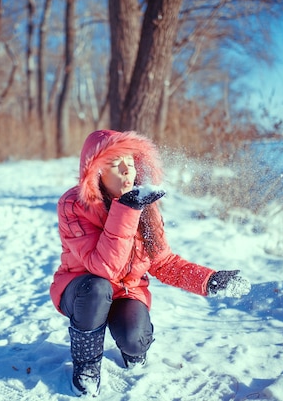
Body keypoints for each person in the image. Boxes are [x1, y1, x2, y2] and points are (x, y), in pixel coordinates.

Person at [49, 130, 250, 397]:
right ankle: (86, 367)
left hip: (126, 290)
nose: (126, 170)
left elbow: (164, 262)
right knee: (98, 288)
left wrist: (208, 280)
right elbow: (102, 268)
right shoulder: (73, 205)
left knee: (136, 341)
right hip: (82, 290)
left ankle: (130, 340)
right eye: (114, 163)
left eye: (130, 163)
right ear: (96, 170)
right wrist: (126, 209)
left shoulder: (143, 203)